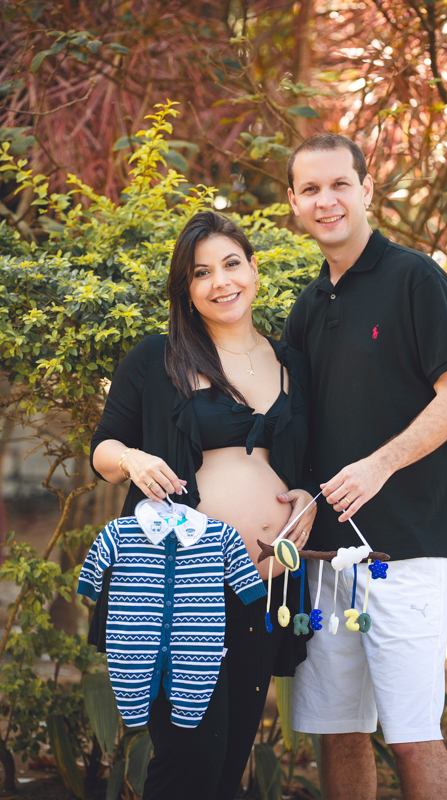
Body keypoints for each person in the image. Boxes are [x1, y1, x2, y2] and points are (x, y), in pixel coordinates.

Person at [282, 133, 447, 800]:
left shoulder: (414, 278)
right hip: (325, 558)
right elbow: (302, 425)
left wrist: (377, 465)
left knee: (410, 731)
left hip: (407, 547)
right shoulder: (309, 306)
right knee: (337, 730)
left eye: (339, 184)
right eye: (310, 188)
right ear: (293, 203)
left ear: (367, 189)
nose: (326, 200)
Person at [89, 210, 316, 800]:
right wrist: (133, 460)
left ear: (253, 269)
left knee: (227, 761)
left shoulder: (290, 362)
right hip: (176, 593)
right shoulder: (156, 359)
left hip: (260, 588)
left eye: (231, 264)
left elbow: (305, 466)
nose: (221, 282)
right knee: (188, 759)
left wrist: (306, 499)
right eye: (201, 273)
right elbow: (103, 447)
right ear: (186, 290)